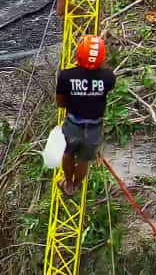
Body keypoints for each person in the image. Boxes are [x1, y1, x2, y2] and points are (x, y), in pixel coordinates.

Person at [55, 34, 116, 196]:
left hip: (74, 123)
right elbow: (104, 80)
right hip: (94, 126)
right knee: (83, 159)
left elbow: (60, 103)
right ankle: (75, 184)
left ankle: (68, 183)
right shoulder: (108, 78)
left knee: (68, 153)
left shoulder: (66, 76)